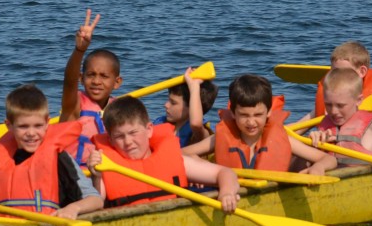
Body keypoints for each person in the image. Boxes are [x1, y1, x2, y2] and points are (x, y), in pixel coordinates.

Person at [87, 96, 240, 213]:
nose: (128, 142)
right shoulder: (106, 165)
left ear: (149, 130)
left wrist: (227, 193)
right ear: (110, 139)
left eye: (133, 133)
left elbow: (225, 172)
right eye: (119, 136)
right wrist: (97, 175)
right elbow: (97, 203)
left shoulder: (175, 160)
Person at [0, 84, 103, 219]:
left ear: (47, 123)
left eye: (38, 126)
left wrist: (73, 208)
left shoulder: (59, 157)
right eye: (23, 126)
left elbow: (96, 200)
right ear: (9, 125)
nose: (31, 133)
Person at [184, 74, 337, 175]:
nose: (251, 122)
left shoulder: (283, 138)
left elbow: (329, 159)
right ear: (232, 113)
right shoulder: (220, 137)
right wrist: (202, 169)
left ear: (269, 112)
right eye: (244, 115)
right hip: (230, 194)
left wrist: (318, 167)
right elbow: (182, 153)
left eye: (258, 115)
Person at [59, 9, 123, 164]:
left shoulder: (119, 109)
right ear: (81, 78)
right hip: (75, 177)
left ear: (117, 83)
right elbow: (69, 81)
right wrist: (79, 50)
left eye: (104, 76)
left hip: (105, 174)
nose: (96, 81)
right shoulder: (74, 105)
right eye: (91, 75)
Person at [312, 41, 372, 117]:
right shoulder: (332, 100)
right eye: (334, 72)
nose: (337, 76)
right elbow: (313, 115)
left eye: (344, 72)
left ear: (362, 71)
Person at [153, 66, 218, 147]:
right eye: (168, 100)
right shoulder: (160, 123)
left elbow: (196, 124)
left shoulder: (199, 134)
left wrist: (194, 86)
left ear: (192, 106)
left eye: (173, 102)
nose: (166, 105)